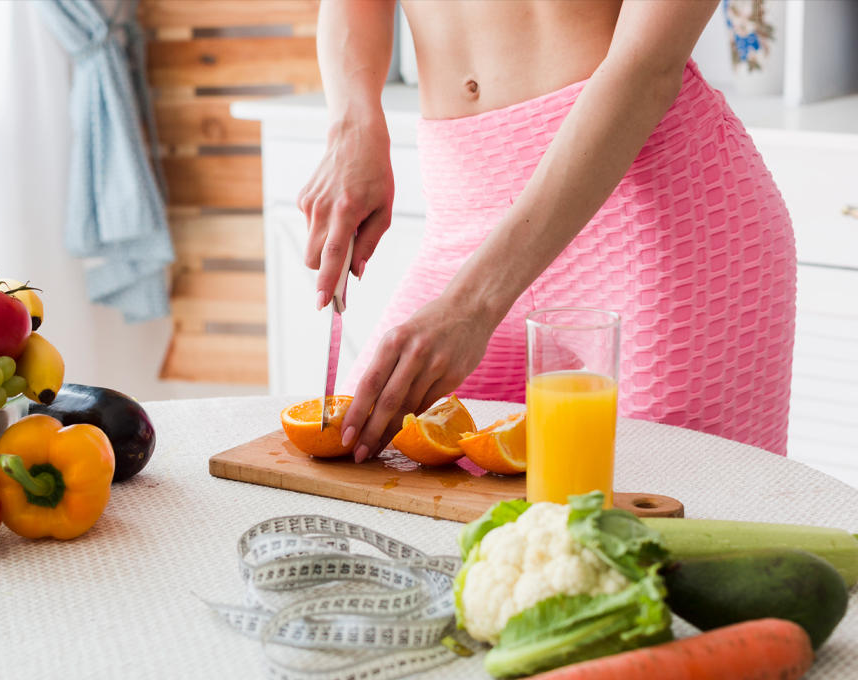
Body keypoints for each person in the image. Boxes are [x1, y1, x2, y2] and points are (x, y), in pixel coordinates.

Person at [298, 0, 795, 463]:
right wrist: (352, 124)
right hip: (461, 219)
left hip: (654, 232)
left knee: (669, 512)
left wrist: (474, 303)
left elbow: (647, 69)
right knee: (361, 461)